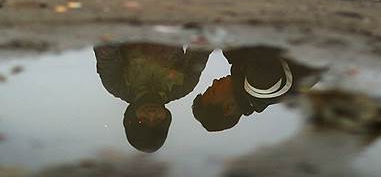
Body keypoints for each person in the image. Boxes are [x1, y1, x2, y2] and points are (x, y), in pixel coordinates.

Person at [94, 42, 210, 152]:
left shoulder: (116, 84)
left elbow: (105, 47)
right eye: (158, 120)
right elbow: (202, 47)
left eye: (143, 119)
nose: (151, 114)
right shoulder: (184, 85)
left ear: (131, 118)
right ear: (166, 119)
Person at [192, 47, 320, 132]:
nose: (214, 82)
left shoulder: (250, 83)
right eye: (213, 91)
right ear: (228, 107)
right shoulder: (261, 86)